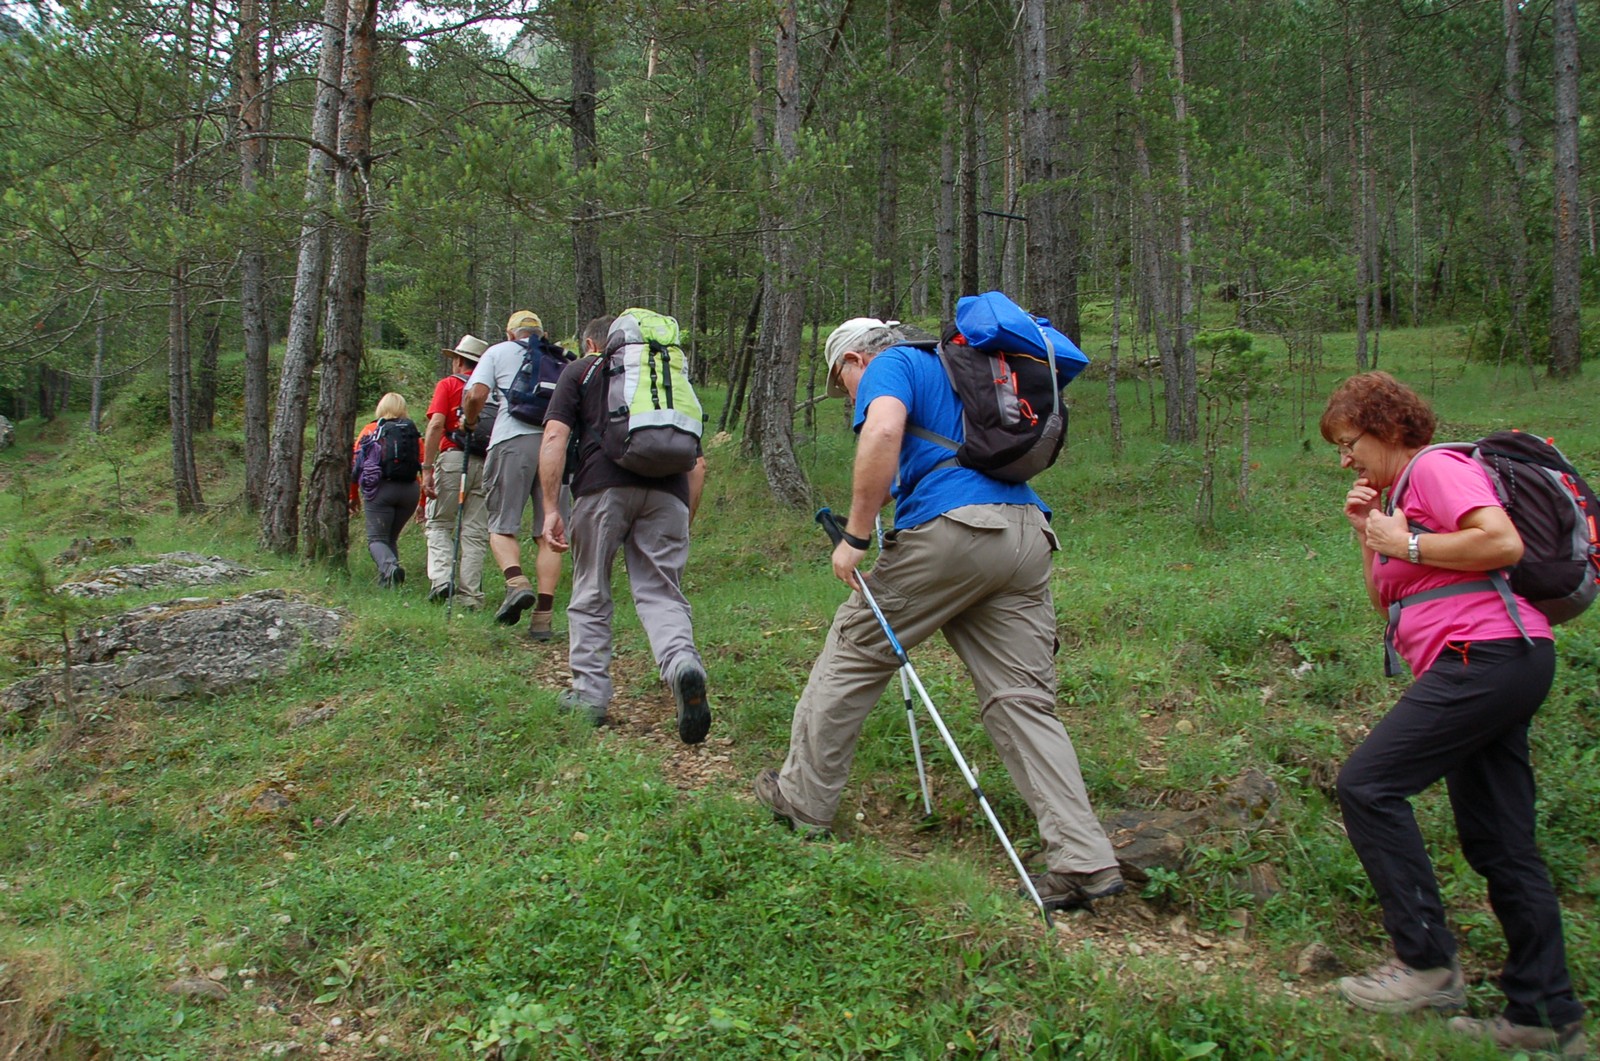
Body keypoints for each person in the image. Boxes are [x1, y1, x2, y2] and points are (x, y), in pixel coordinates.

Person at [754, 317, 1123, 911]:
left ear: (855, 360)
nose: (847, 394)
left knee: (854, 651)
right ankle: (1083, 858)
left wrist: (855, 537)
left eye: (842, 382)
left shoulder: (892, 365)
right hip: (1027, 536)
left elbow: (882, 431)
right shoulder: (963, 370)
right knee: (1022, 699)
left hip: (955, 532)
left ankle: (802, 801)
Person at [1322, 372, 1586, 1057]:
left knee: (1367, 784)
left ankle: (1426, 965)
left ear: (1386, 428)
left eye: (1349, 443)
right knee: (1500, 840)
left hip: (1486, 654)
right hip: (1495, 660)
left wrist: (1406, 543)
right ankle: (1544, 1013)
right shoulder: (1402, 495)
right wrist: (1370, 533)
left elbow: (1501, 544)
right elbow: (1388, 601)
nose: (1345, 459)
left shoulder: (1436, 468)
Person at [536, 315, 711, 743]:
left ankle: (590, 696)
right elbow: (698, 464)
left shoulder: (582, 370)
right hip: (670, 493)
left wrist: (550, 508)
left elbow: (555, 437)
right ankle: (682, 664)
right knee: (662, 593)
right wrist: (683, 518)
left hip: (601, 489)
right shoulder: (668, 379)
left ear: (598, 343)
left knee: (592, 589)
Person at [461, 311, 568, 638]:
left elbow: (476, 394)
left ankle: (516, 582)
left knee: (501, 524)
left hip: (511, 440)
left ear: (510, 334)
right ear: (542, 334)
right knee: (549, 534)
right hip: (556, 447)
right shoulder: (560, 359)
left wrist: (470, 421)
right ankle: (543, 619)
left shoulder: (497, 352)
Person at [421, 335, 491, 609]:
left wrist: (427, 468)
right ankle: (470, 596)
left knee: (439, 523)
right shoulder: (492, 390)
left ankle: (442, 580)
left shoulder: (449, 385)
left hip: (453, 457)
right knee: (474, 532)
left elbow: (436, 424)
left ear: (459, 361)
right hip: (486, 463)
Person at [350, 392, 422, 588]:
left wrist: (353, 495)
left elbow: (357, 464)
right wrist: (423, 502)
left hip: (381, 490)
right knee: (390, 539)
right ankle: (389, 586)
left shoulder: (371, 430)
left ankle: (390, 568)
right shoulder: (411, 432)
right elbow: (423, 464)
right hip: (410, 492)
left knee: (376, 540)